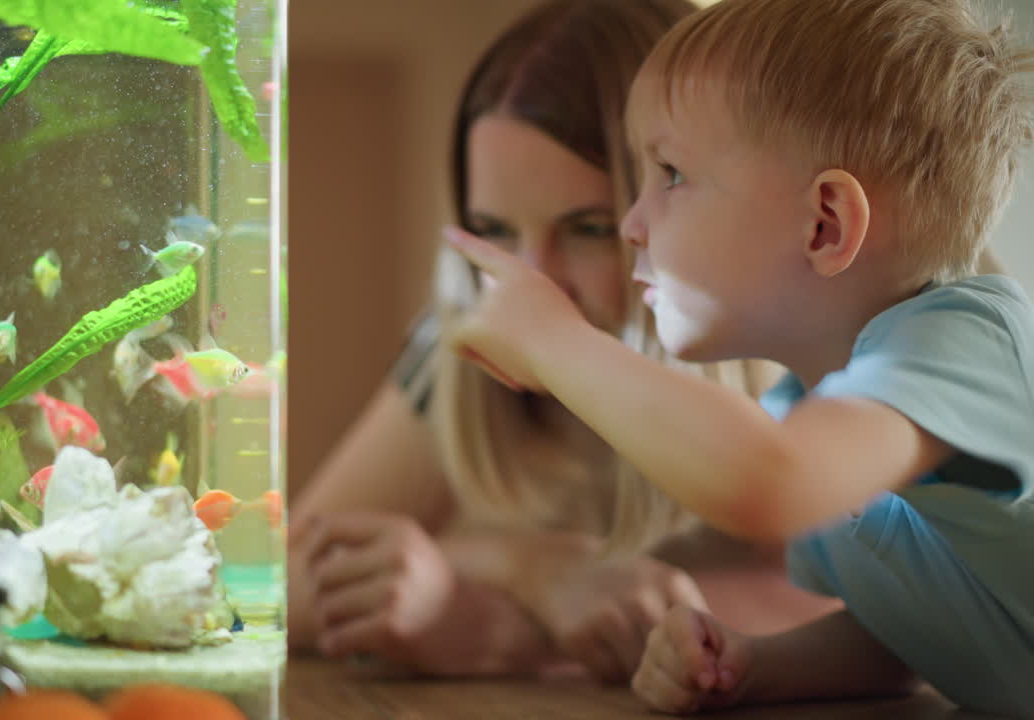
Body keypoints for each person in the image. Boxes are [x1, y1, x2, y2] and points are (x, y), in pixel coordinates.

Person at [445, 0, 1034, 714]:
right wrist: (757, 666)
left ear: (825, 224)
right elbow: (920, 632)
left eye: (669, 174)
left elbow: (766, 482)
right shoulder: (809, 412)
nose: (634, 223)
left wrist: (556, 341)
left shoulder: (967, 342)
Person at [289, 0, 837, 680]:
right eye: (494, 230)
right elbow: (272, 578)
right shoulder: (464, 341)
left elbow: (901, 618)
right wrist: (533, 569)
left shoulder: (821, 335)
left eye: (588, 228)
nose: (531, 288)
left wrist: (508, 631)